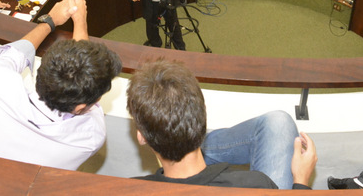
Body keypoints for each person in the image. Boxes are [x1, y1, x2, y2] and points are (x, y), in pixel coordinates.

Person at [0, 0, 122, 170]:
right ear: (80, 108)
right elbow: (86, 78)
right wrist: (80, 20)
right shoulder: (90, 136)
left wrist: (51, 20)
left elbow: (18, 52)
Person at [128, 59, 317, 189]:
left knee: (277, 121)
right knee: (279, 122)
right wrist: (301, 181)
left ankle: (175, 139)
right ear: (203, 113)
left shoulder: (128, 188)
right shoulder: (257, 184)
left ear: (142, 137)